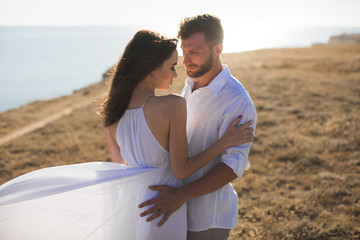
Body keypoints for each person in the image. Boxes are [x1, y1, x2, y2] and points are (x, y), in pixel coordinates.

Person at [0, 30, 253, 240]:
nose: (177, 75)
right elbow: (181, 170)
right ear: (153, 69)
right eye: (171, 67)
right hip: (164, 209)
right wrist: (225, 142)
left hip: (135, 210)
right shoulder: (173, 105)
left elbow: (120, 168)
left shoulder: (112, 114)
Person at [139, 14, 257, 240]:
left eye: (194, 52)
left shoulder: (237, 101)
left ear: (217, 50)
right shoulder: (189, 85)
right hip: (175, 208)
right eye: (184, 51)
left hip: (206, 218)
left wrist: (181, 195)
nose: (185, 61)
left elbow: (232, 166)